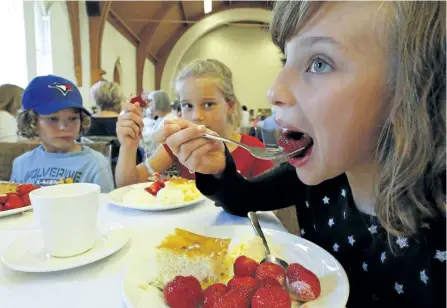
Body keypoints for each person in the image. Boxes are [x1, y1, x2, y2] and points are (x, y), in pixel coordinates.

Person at [152, 2, 446, 307]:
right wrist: (217, 169)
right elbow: (245, 199)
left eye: (318, 63)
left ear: (413, 89)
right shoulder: (322, 176)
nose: (274, 90)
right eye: (286, 60)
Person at [115, 59, 274, 187]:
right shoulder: (179, 147)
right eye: (187, 105)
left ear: (230, 105)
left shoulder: (253, 150)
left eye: (208, 104)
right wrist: (128, 146)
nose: (196, 116)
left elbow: (273, 209)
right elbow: (128, 185)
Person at [11, 75, 115, 193]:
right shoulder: (22, 164)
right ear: (32, 122)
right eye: (53, 119)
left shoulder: (96, 164)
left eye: (73, 118)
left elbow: (105, 208)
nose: (64, 127)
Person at [140, 90, 176, 157]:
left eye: (151, 101)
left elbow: (154, 138)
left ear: (159, 102)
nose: (149, 104)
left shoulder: (169, 120)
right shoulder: (160, 118)